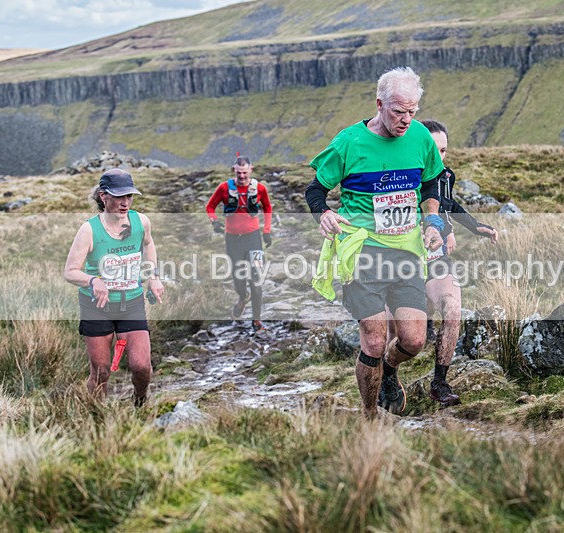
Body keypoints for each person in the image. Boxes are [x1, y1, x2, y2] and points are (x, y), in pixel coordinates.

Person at [306, 66, 446, 418]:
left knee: (414, 340)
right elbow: (315, 189)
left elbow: (431, 184)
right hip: (363, 249)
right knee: (372, 337)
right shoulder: (349, 142)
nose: (406, 120)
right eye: (399, 112)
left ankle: (390, 371)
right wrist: (323, 212)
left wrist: (431, 220)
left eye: (412, 112)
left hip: (405, 250)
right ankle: (370, 417)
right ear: (379, 104)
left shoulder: (420, 138)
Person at [63, 168, 164, 407]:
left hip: (131, 303)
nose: (125, 202)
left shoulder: (141, 222)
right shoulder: (89, 230)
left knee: (142, 367)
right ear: (103, 196)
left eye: (129, 196)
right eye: (119, 196)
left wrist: (153, 276)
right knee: (101, 372)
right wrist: (93, 280)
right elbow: (70, 271)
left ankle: (140, 403)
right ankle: (97, 417)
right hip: (97, 307)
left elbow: (148, 245)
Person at [418, 119, 498, 406]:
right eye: (432, 149)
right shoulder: (401, 176)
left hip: (437, 258)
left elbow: (449, 206)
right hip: (403, 261)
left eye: (443, 150)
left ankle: (439, 382)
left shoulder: (445, 176)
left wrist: (475, 227)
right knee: (405, 340)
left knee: (453, 309)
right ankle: (388, 376)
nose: (438, 157)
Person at [206, 155, 273, 331]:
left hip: (253, 238)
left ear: (251, 169)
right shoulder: (223, 188)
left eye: (244, 172)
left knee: (256, 279)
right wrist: (214, 221)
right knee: (238, 279)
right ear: (233, 170)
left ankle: (257, 321)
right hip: (232, 240)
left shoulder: (259, 188)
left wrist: (266, 230)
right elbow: (210, 207)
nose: (242, 176)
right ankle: (243, 298)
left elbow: (267, 208)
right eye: (238, 172)